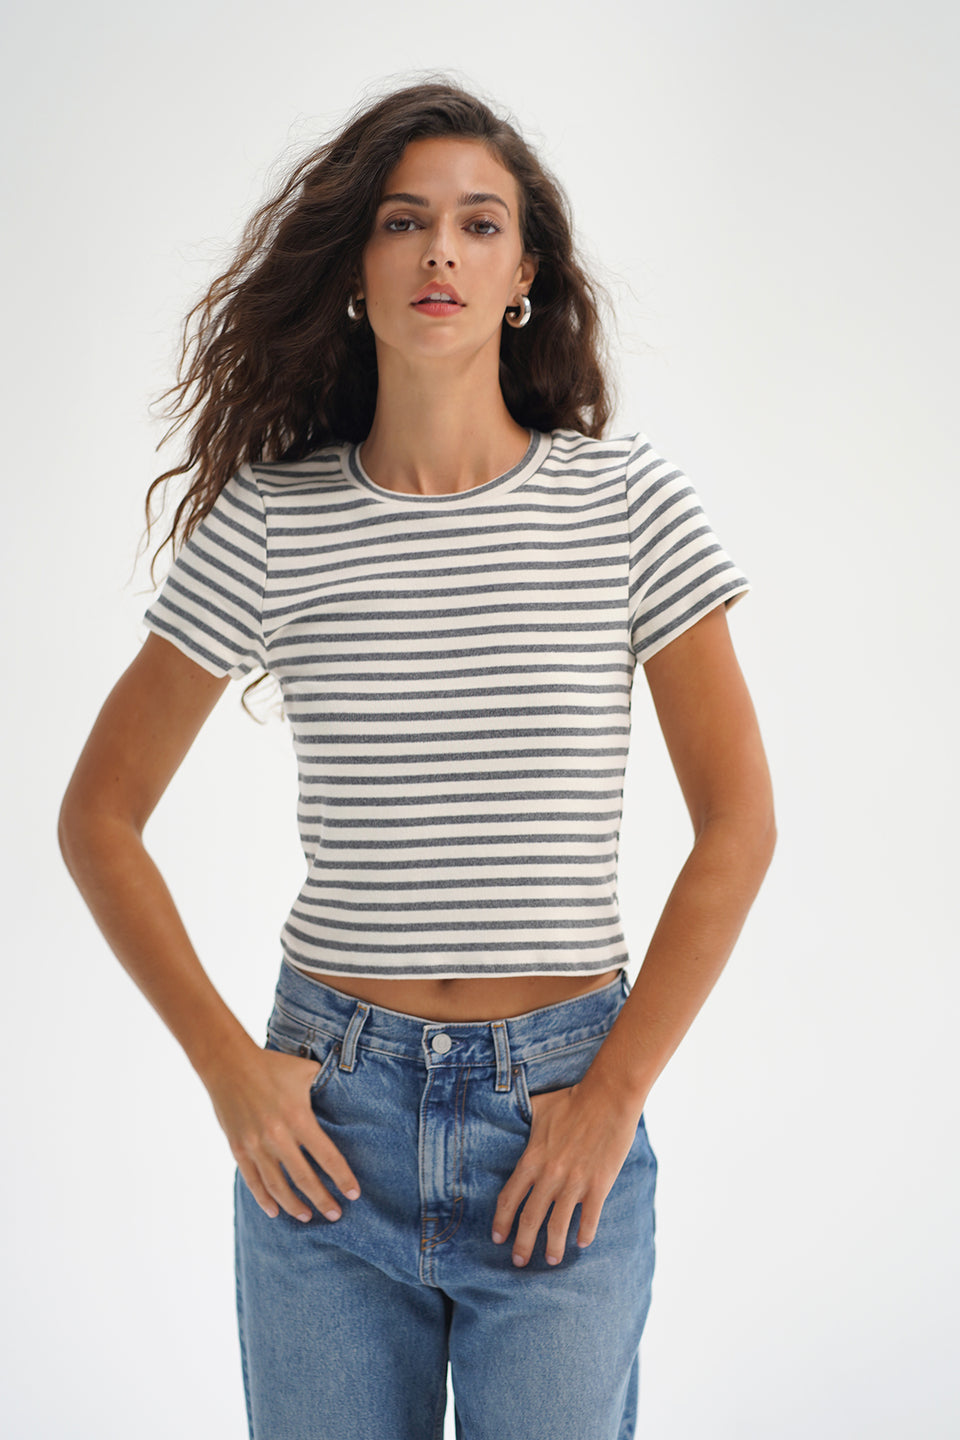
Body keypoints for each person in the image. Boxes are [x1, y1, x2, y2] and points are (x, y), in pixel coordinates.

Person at [58, 78, 776, 1440]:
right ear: (355, 268)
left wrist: (613, 1094)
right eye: (403, 221)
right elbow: (99, 815)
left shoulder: (626, 504)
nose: (440, 250)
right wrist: (228, 1070)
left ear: (524, 275)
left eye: (478, 223)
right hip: (329, 1128)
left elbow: (739, 822)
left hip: (559, 1119)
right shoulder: (276, 521)